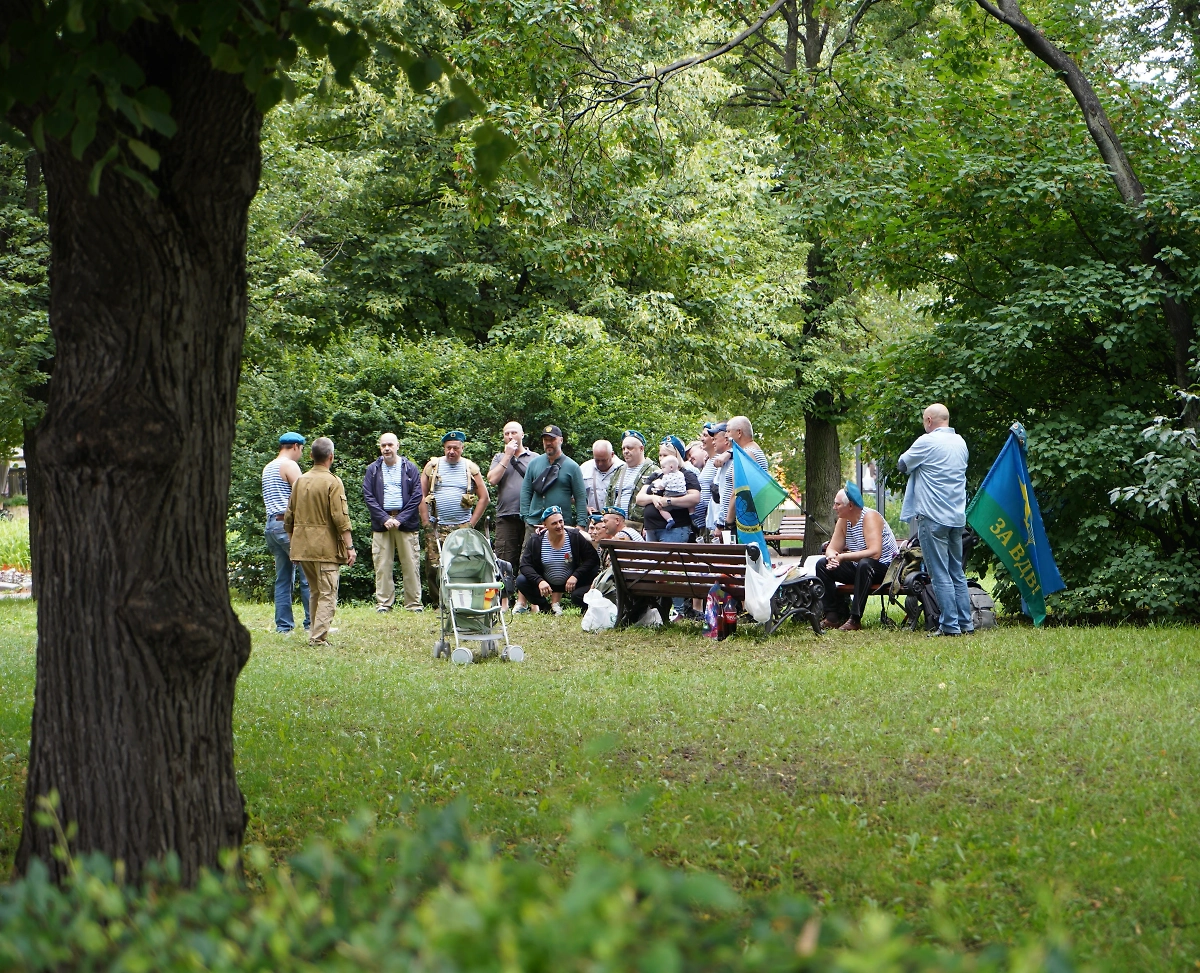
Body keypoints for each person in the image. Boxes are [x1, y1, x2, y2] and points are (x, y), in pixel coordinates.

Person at [898, 403, 972, 637]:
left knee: (939, 573)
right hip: (956, 517)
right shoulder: (961, 443)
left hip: (933, 518)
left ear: (929, 420)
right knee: (956, 572)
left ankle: (950, 625)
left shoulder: (926, 441)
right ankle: (966, 623)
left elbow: (902, 465)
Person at [285, 436, 356, 645]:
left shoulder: (300, 481)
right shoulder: (333, 482)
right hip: (325, 548)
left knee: (316, 591)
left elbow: (289, 517)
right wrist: (349, 546)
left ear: (310, 456)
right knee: (328, 593)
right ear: (331, 457)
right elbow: (341, 518)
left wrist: (294, 545)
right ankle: (318, 638)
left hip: (303, 547)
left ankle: (314, 633)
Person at [815, 482, 900, 631]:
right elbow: (832, 548)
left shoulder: (870, 517)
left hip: (885, 569)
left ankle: (855, 620)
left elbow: (875, 553)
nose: (834, 507)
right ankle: (832, 617)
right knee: (822, 565)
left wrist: (842, 557)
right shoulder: (843, 520)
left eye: (837, 504)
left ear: (850, 506)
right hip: (860, 568)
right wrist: (832, 557)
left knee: (865, 563)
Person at [421, 430, 490, 606]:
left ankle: (460, 601)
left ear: (462, 448)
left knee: (462, 565)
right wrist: (425, 521)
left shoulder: (470, 468)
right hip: (436, 525)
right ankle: (439, 603)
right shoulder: (432, 467)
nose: (451, 451)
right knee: (434, 566)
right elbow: (419, 496)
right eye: (448, 448)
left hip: (461, 526)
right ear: (444, 448)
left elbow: (484, 497)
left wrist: (471, 523)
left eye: (455, 448)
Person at [362, 432, 423, 613]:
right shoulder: (372, 469)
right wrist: (385, 519)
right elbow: (368, 496)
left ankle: (413, 604)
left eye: (390, 445)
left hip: (406, 523)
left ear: (398, 446)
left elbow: (417, 495)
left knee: (411, 564)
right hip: (382, 524)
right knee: (382, 565)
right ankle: (384, 604)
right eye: (383, 446)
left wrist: (400, 519)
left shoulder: (409, 468)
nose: (386, 449)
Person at [262, 432, 311, 634]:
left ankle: (283, 627)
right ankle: (313, 623)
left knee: (283, 578)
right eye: (301, 450)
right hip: (287, 526)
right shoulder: (290, 465)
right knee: (308, 575)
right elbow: (304, 495)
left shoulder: (268, 467)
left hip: (271, 526)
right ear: (295, 447)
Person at [515, 505, 600, 615]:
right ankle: (545, 607)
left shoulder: (574, 537)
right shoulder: (536, 540)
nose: (559, 526)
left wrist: (576, 575)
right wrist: (539, 581)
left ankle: (587, 608)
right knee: (522, 581)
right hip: (547, 582)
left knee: (591, 576)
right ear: (544, 525)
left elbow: (592, 559)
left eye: (561, 521)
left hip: (572, 581)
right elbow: (525, 565)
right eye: (554, 523)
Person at [487, 421, 536, 571]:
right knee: (503, 562)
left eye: (513, 432)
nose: (510, 436)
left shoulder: (535, 458)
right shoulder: (499, 457)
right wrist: (507, 456)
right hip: (506, 515)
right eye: (506, 434)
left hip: (530, 516)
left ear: (522, 434)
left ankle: (524, 594)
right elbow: (492, 480)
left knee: (529, 561)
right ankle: (504, 595)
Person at [520, 424, 589, 527]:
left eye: (552, 439)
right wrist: (526, 517)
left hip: (561, 525)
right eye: (545, 440)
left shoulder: (572, 467)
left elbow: (581, 497)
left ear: (561, 440)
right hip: (535, 523)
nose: (548, 443)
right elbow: (526, 491)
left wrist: (581, 524)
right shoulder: (534, 464)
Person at [637, 440, 700, 542]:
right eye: (660, 455)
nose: (661, 459)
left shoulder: (685, 474)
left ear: (676, 457)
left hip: (674, 529)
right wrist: (654, 498)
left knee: (670, 558)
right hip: (651, 528)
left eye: (665, 455)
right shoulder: (656, 474)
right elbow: (639, 498)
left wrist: (669, 501)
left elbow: (695, 498)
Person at [722, 416, 770, 530]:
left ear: (739, 432)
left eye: (728, 431)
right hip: (744, 520)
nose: (725, 435)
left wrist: (728, 522)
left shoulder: (747, 455)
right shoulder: (752, 451)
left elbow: (738, 490)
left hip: (740, 523)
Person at [606, 430, 659, 528]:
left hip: (641, 526)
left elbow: (658, 500)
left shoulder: (654, 471)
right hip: (616, 527)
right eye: (623, 448)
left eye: (629, 448)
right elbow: (609, 497)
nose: (625, 451)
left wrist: (650, 525)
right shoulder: (618, 471)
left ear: (641, 449)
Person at [579, 439, 625, 514]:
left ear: (612, 454)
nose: (600, 464)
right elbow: (573, 496)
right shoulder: (584, 468)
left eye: (604, 460)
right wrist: (585, 507)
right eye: (597, 460)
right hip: (592, 521)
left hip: (616, 520)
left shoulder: (623, 469)